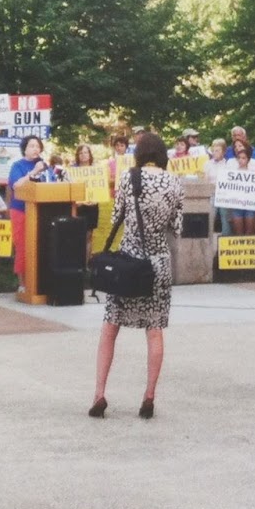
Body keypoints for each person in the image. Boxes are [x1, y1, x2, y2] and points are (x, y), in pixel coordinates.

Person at [89, 132, 184, 420]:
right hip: (157, 265)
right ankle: (149, 396)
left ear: (139, 153)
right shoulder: (174, 182)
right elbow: (176, 227)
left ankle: (99, 394)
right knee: (154, 330)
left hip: (128, 264)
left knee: (110, 328)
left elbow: (117, 216)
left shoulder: (129, 179)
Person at [8, 135, 56, 288]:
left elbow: (53, 184)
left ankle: (39, 283)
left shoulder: (45, 166)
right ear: (25, 149)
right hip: (21, 211)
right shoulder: (18, 166)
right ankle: (23, 284)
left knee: (42, 246)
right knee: (23, 246)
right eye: (32, 146)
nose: (36, 149)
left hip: (42, 212)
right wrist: (33, 172)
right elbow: (16, 185)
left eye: (38, 146)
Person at [228, 140, 255, 235]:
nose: (241, 160)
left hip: (250, 203)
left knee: (250, 232)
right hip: (236, 203)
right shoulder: (231, 166)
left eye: (243, 158)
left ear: (248, 159)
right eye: (239, 158)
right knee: (238, 232)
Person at [206, 139, 232, 235]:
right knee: (210, 216)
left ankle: (226, 238)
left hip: (224, 194)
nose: (214, 153)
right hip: (211, 193)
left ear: (224, 152)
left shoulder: (228, 164)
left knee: (225, 216)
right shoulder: (207, 164)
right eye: (213, 150)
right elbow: (205, 179)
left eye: (217, 150)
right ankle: (207, 238)